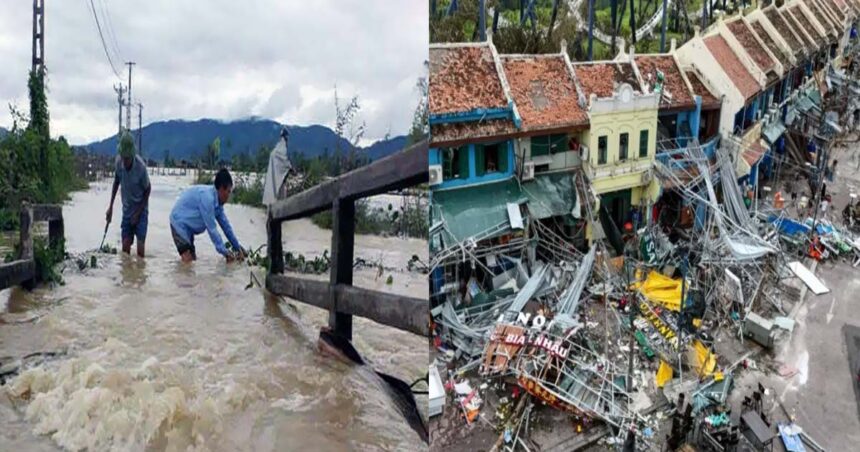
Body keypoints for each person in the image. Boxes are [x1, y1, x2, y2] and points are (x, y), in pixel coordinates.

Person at [169, 168, 246, 263]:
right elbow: (212, 229)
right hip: (179, 223)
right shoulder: (207, 199)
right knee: (187, 261)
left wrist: (237, 247)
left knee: (192, 261)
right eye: (228, 191)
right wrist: (225, 252)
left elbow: (226, 227)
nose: (229, 195)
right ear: (221, 189)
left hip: (189, 228)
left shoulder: (218, 205)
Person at [106, 132, 151, 257]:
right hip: (127, 210)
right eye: (123, 157)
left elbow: (148, 189)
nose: (124, 161)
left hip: (141, 211)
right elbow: (116, 182)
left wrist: (138, 213)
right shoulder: (118, 162)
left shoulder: (141, 168)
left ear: (132, 155)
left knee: (140, 252)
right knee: (125, 251)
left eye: (127, 158)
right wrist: (111, 207)